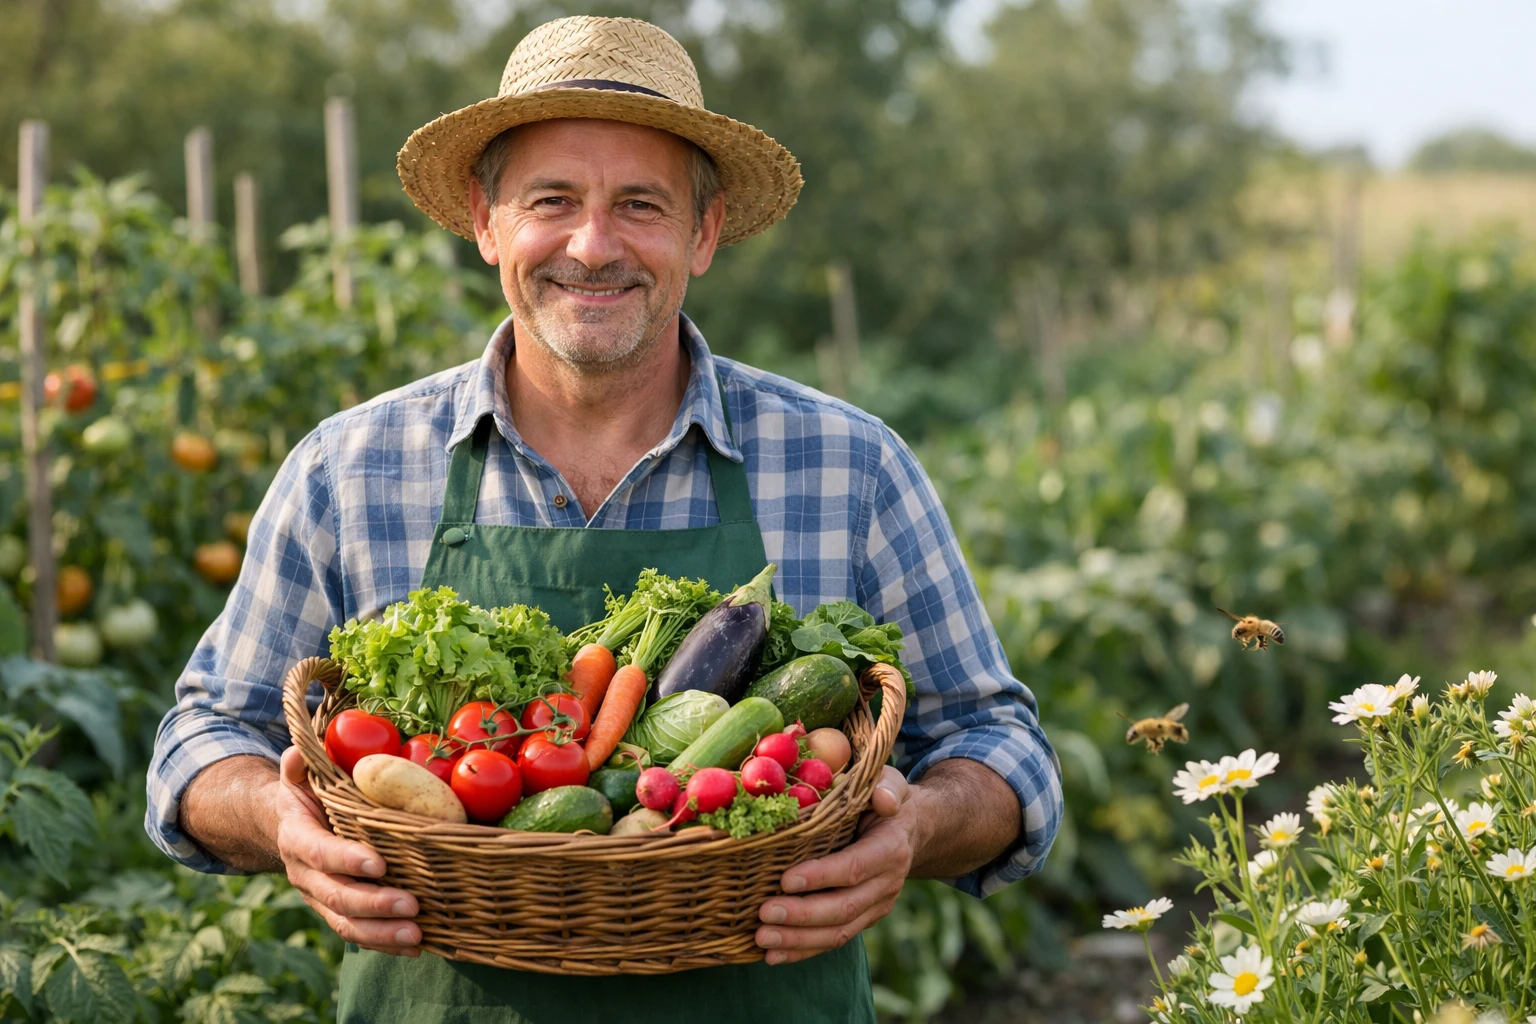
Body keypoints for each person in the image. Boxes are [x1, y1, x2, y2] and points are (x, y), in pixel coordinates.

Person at [147, 15, 1061, 1023]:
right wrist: (281, 817)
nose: (593, 245)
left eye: (641, 204)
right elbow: (200, 738)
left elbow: (999, 742)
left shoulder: (852, 465)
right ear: (485, 220)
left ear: (704, 234)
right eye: (552, 201)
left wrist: (920, 826)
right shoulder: (349, 468)